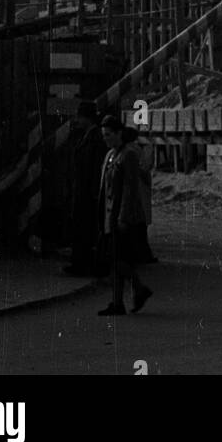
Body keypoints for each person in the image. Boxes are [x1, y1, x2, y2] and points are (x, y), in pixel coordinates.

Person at [97, 116, 153, 316]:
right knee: (116, 260)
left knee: (117, 260)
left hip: (121, 217)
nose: (106, 139)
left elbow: (130, 188)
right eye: (104, 135)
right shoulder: (111, 154)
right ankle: (120, 300)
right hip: (109, 215)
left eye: (109, 134)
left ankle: (135, 290)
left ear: (119, 133)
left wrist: (122, 217)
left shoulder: (127, 154)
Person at [64, 101, 106, 277]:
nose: (77, 120)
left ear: (86, 118)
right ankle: (80, 263)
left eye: (79, 117)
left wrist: (95, 192)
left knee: (84, 228)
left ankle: (82, 265)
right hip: (84, 189)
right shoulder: (90, 136)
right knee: (82, 228)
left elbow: (96, 167)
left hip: (87, 191)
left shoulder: (94, 138)